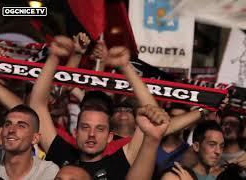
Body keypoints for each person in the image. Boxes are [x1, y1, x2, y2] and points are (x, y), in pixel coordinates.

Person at [29, 36, 204, 180]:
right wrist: (53, 57)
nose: (91, 134)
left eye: (100, 129)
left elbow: (152, 120)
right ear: (75, 132)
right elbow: (37, 104)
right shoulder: (61, 153)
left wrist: (125, 67)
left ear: (110, 136)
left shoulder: (120, 161)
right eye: (85, 127)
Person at [0, 105, 59, 179]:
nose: (11, 130)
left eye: (21, 126)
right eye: (7, 124)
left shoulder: (47, 171)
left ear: (35, 138)